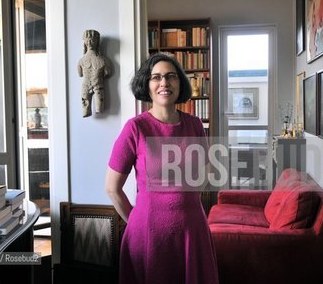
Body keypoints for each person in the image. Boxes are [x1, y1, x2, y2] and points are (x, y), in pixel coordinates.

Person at [105, 53, 219, 284]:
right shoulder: (135, 128)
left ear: (180, 84)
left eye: (171, 77)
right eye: (156, 77)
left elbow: (204, 175)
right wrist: (137, 221)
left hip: (192, 232)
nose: (164, 83)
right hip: (148, 235)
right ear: (147, 85)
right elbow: (112, 188)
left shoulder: (195, 125)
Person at [78, 29, 111, 117]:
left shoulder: (81, 61)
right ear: (84, 41)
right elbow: (107, 73)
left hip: (97, 87)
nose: (90, 42)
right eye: (88, 39)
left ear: (97, 41)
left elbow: (80, 74)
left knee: (98, 108)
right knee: (87, 109)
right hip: (93, 86)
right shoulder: (104, 60)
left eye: (92, 39)